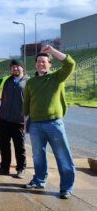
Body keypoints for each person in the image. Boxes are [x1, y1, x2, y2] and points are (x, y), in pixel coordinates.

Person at [22, 45, 76, 200]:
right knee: (38, 155)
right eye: (38, 61)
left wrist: (52, 51)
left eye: (44, 61)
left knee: (62, 156)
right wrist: (26, 120)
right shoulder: (31, 82)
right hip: (35, 124)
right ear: (35, 64)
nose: (41, 63)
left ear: (50, 64)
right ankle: (39, 180)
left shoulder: (57, 77)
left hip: (54, 123)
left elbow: (70, 64)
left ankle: (66, 187)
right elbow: (27, 103)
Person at [0, 59, 28, 178]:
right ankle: (4, 168)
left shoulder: (29, 82)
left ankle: (21, 168)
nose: (15, 68)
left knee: (20, 146)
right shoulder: (6, 80)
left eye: (18, 66)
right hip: (4, 119)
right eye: (13, 67)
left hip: (19, 121)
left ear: (23, 68)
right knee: (4, 146)